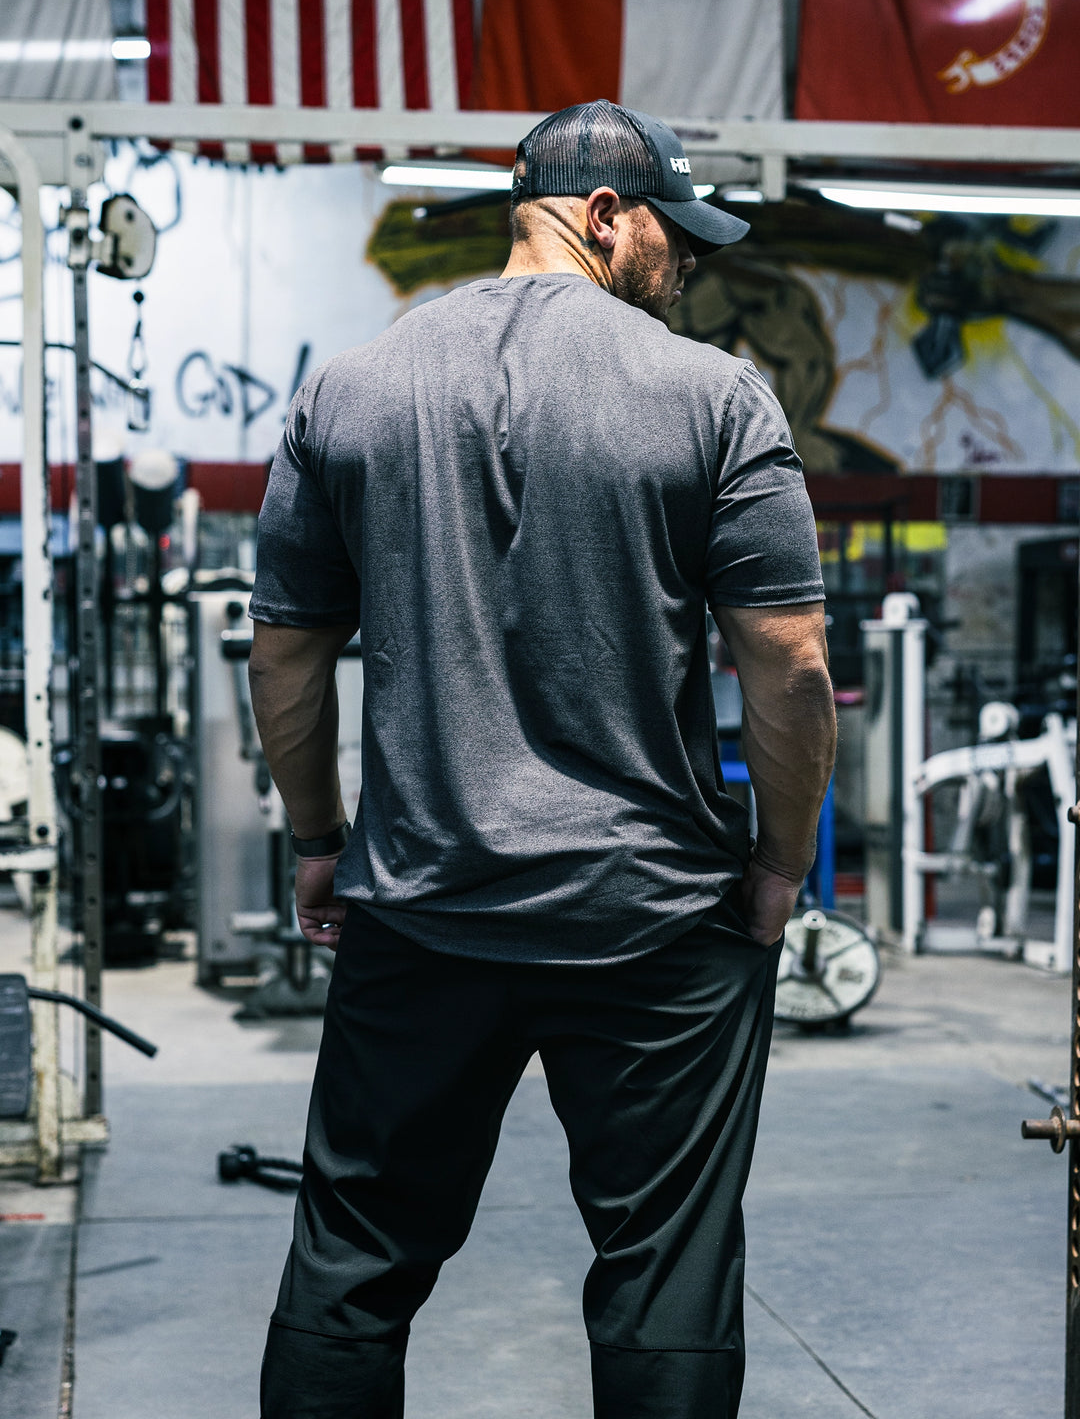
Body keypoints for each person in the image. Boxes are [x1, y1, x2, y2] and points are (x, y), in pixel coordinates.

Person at [249, 98, 836, 1419]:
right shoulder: (714, 396)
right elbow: (788, 663)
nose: (682, 269)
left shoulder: (348, 389)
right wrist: (782, 862)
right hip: (651, 922)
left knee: (352, 1267)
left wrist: (319, 841)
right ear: (602, 216)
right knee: (663, 1280)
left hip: (423, 905)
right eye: (672, 240)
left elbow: (284, 656)